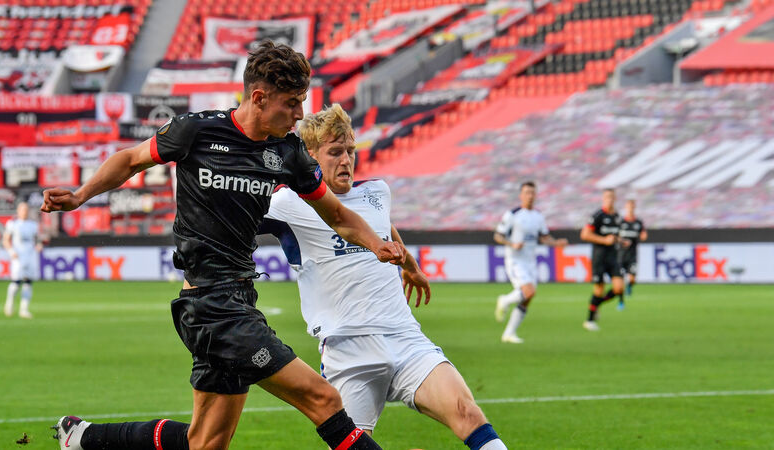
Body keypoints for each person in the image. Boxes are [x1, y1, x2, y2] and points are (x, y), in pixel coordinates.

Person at [44, 41, 403, 450]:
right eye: (291, 103)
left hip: (239, 302)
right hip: (209, 308)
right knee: (323, 399)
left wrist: (377, 245)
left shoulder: (287, 153)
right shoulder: (196, 131)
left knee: (205, 442)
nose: (300, 114)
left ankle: (83, 437)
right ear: (259, 98)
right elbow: (129, 160)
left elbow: (337, 215)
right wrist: (80, 195)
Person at [258, 104, 508, 449]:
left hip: (405, 338)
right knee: (357, 444)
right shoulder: (287, 204)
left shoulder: (377, 192)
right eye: (335, 152)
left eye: (350, 151)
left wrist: (410, 266)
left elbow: (383, 226)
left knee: (468, 413)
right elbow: (235, 215)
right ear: (310, 156)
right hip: (348, 349)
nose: (346, 160)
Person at [493, 182, 568, 343]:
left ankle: (509, 333)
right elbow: (498, 236)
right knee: (529, 291)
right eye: (527, 192)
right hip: (515, 260)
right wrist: (512, 244)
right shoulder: (512, 214)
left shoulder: (538, 216)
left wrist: (556, 243)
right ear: (521, 195)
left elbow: (544, 237)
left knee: (527, 298)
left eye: (533, 193)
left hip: (530, 261)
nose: (530, 196)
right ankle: (504, 300)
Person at [580, 188, 626, 331]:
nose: (609, 200)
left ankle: (597, 305)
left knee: (619, 288)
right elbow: (585, 235)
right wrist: (604, 240)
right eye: (607, 197)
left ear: (615, 199)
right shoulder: (598, 215)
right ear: (603, 199)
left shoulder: (617, 217)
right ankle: (589, 320)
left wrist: (621, 241)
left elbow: (614, 236)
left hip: (613, 257)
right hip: (599, 257)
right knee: (599, 290)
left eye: (612, 197)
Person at [2, 201, 42, 319]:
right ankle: (9, 303)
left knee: (28, 282)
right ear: (18, 211)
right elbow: (6, 240)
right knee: (16, 282)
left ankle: (24, 310)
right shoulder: (12, 224)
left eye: (26, 210)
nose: (25, 212)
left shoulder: (33, 225)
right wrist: (11, 252)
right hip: (18, 256)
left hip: (30, 255)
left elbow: (37, 239)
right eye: (22, 210)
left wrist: (39, 245)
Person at [617, 199, 647, 309]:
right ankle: (621, 302)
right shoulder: (620, 222)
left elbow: (643, 235)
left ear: (634, 208)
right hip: (620, 255)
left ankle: (629, 286)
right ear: (625, 208)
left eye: (632, 207)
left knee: (632, 278)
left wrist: (642, 236)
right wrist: (622, 241)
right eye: (628, 207)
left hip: (632, 255)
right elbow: (615, 235)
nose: (630, 209)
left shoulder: (638, 222)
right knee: (620, 280)